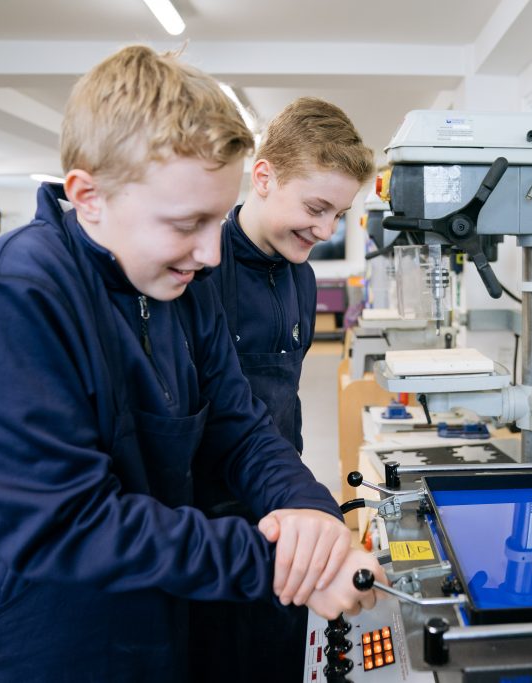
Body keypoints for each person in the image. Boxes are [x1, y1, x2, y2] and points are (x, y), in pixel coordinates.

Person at [0, 45, 382, 683]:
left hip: (152, 625)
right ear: (89, 195)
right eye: (187, 223)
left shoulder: (179, 285)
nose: (212, 253)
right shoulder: (6, 307)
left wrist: (310, 511)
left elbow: (237, 424)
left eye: (218, 219)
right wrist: (276, 562)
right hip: (40, 652)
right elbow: (71, 526)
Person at [192, 98, 374, 682]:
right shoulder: (200, 273)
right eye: (317, 208)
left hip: (279, 491)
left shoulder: (299, 274)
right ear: (264, 177)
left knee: (282, 653)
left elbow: (280, 404)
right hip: (209, 517)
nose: (325, 231)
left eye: (338, 215)